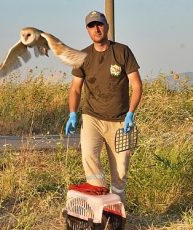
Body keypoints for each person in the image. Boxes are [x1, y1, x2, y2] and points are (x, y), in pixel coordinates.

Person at [65, 10, 142, 203]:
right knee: (89, 156)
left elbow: (137, 85)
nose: (96, 29)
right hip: (92, 117)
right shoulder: (83, 56)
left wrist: (131, 113)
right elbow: (75, 88)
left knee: (121, 170)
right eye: (92, 26)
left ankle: (115, 205)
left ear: (106, 26)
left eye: (99, 24)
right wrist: (72, 114)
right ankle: (99, 196)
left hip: (120, 121)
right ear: (87, 30)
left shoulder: (122, 51)